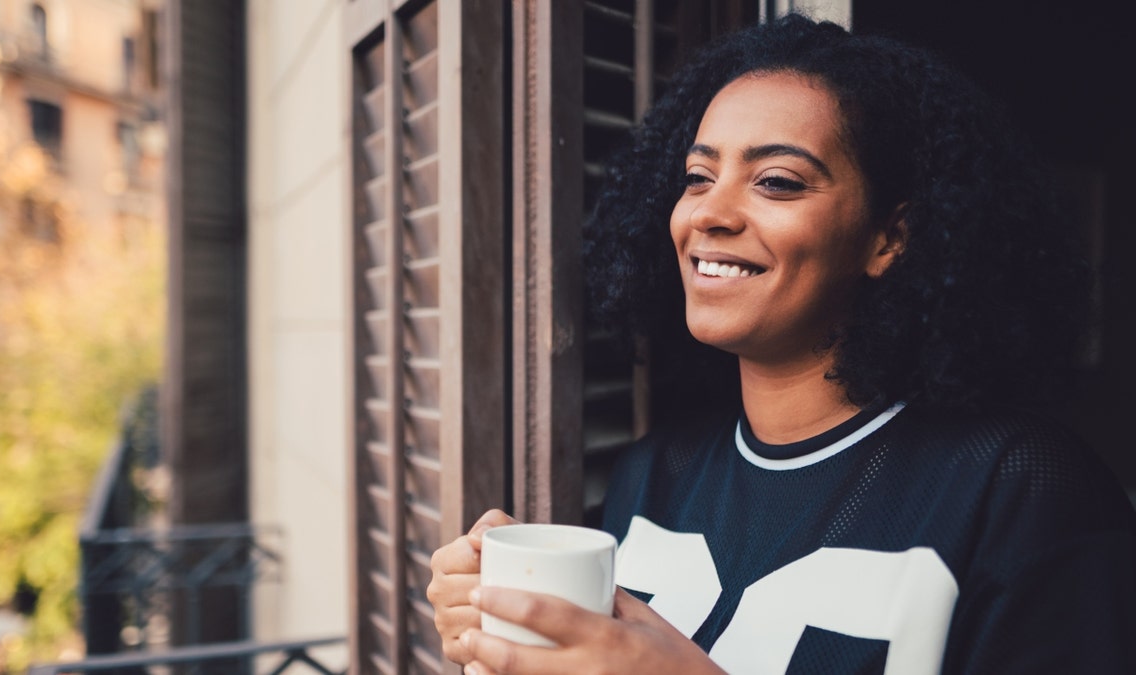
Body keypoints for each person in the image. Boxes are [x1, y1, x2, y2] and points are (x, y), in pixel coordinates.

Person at [427, 13, 1136, 674]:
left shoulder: (1022, 487)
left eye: (776, 181)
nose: (709, 211)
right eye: (698, 177)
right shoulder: (652, 476)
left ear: (891, 238)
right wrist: (496, 627)